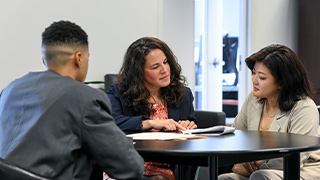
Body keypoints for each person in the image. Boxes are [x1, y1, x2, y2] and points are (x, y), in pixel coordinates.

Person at [0, 20, 144, 180]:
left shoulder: (10, 90)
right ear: (79, 58)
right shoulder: (85, 98)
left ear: (44, 59)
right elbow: (129, 167)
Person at [218, 44, 320, 180]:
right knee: (226, 178)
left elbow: (296, 156)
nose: (254, 81)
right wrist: (239, 163)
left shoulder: (304, 108)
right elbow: (236, 135)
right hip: (258, 170)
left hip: (302, 169)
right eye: (253, 73)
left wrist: (253, 168)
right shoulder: (253, 100)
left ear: (282, 82)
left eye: (262, 77)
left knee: (260, 176)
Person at [107, 37, 197, 180]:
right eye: (155, 67)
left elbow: (191, 127)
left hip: (164, 168)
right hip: (127, 166)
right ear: (138, 73)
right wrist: (151, 123)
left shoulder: (183, 94)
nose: (165, 70)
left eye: (165, 62)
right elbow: (112, 124)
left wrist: (188, 126)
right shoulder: (118, 92)